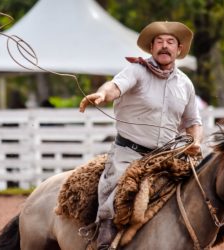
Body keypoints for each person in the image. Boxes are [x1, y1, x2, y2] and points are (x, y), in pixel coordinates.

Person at [79, 21, 203, 250]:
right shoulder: (136, 70)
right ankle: (103, 239)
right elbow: (115, 86)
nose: (164, 46)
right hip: (129, 153)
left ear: (179, 49)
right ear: (151, 47)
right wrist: (101, 94)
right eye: (159, 42)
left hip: (167, 157)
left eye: (170, 42)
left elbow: (193, 121)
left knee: (199, 191)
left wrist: (195, 141)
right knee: (116, 190)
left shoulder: (185, 84)